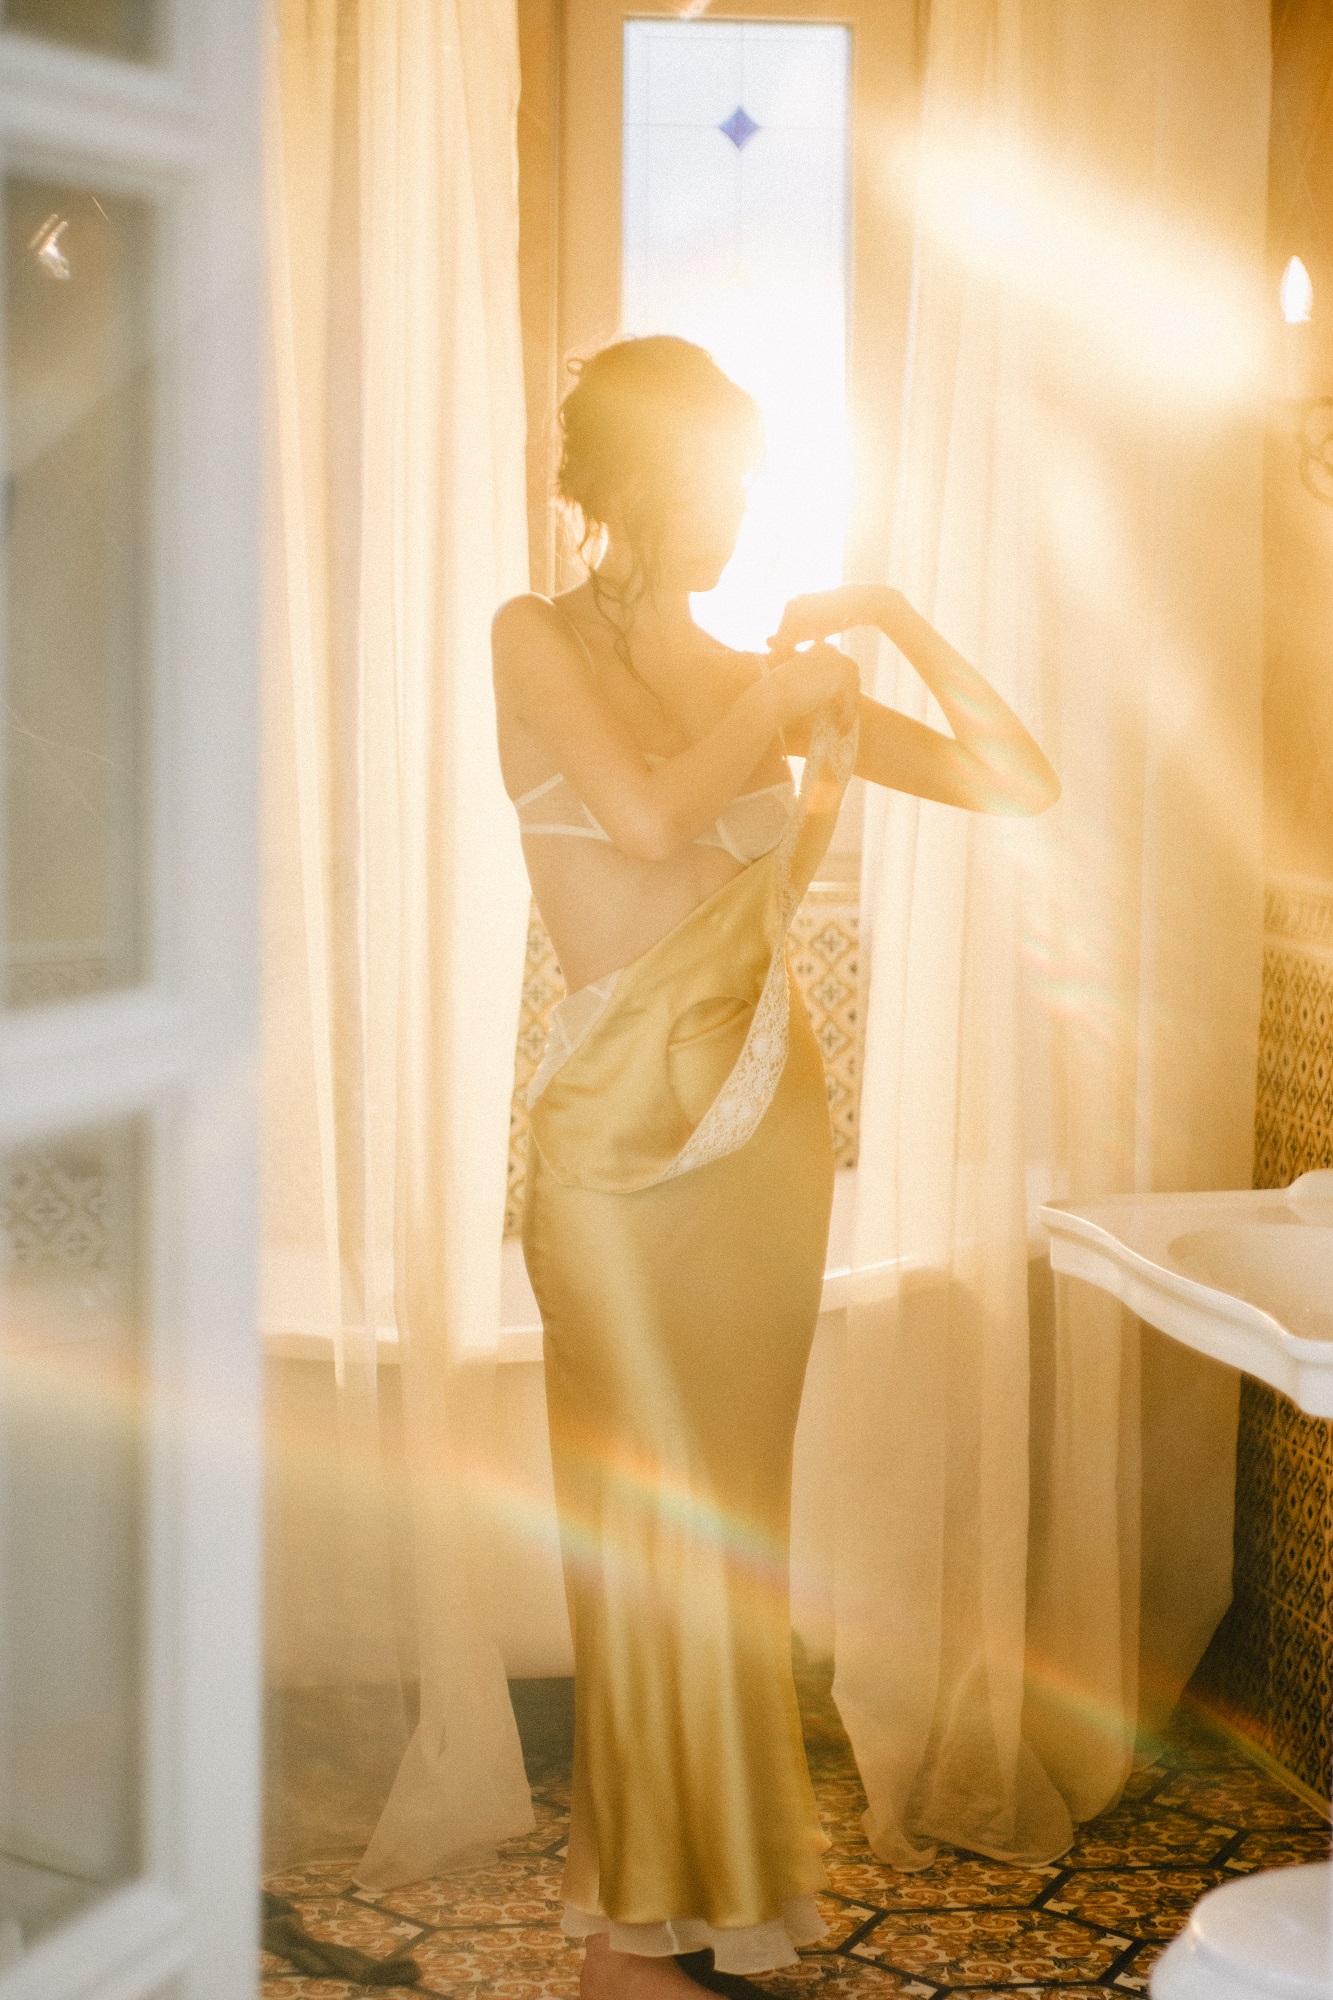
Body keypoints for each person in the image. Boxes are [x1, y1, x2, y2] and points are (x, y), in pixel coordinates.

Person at [491, 335, 1059, 2000]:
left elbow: (1016, 780)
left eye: (752, 476)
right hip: (610, 1141)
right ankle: (615, 1936)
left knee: (726, 1527)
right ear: (637, 485)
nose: (739, 509)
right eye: (721, 476)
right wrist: (782, 695)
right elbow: (653, 819)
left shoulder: (774, 664)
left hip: (763, 1132)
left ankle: (687, 1919)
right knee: (637, 1514)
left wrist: (885, 617)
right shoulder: (532, 636)